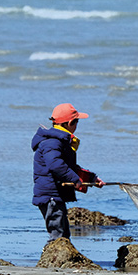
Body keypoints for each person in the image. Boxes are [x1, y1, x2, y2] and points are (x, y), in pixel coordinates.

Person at [31, 103, 104, 240]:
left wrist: (91, 179)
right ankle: (54, 258)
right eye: (77, 121)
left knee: (63, 233)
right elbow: (55, 165)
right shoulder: (52, 142)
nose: (77, 125)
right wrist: (75, 180)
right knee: (58, 235)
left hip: (55, 194)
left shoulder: (59, 141)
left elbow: (69, 166)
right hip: (50, 195)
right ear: (70, 123)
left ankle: (58, 257)